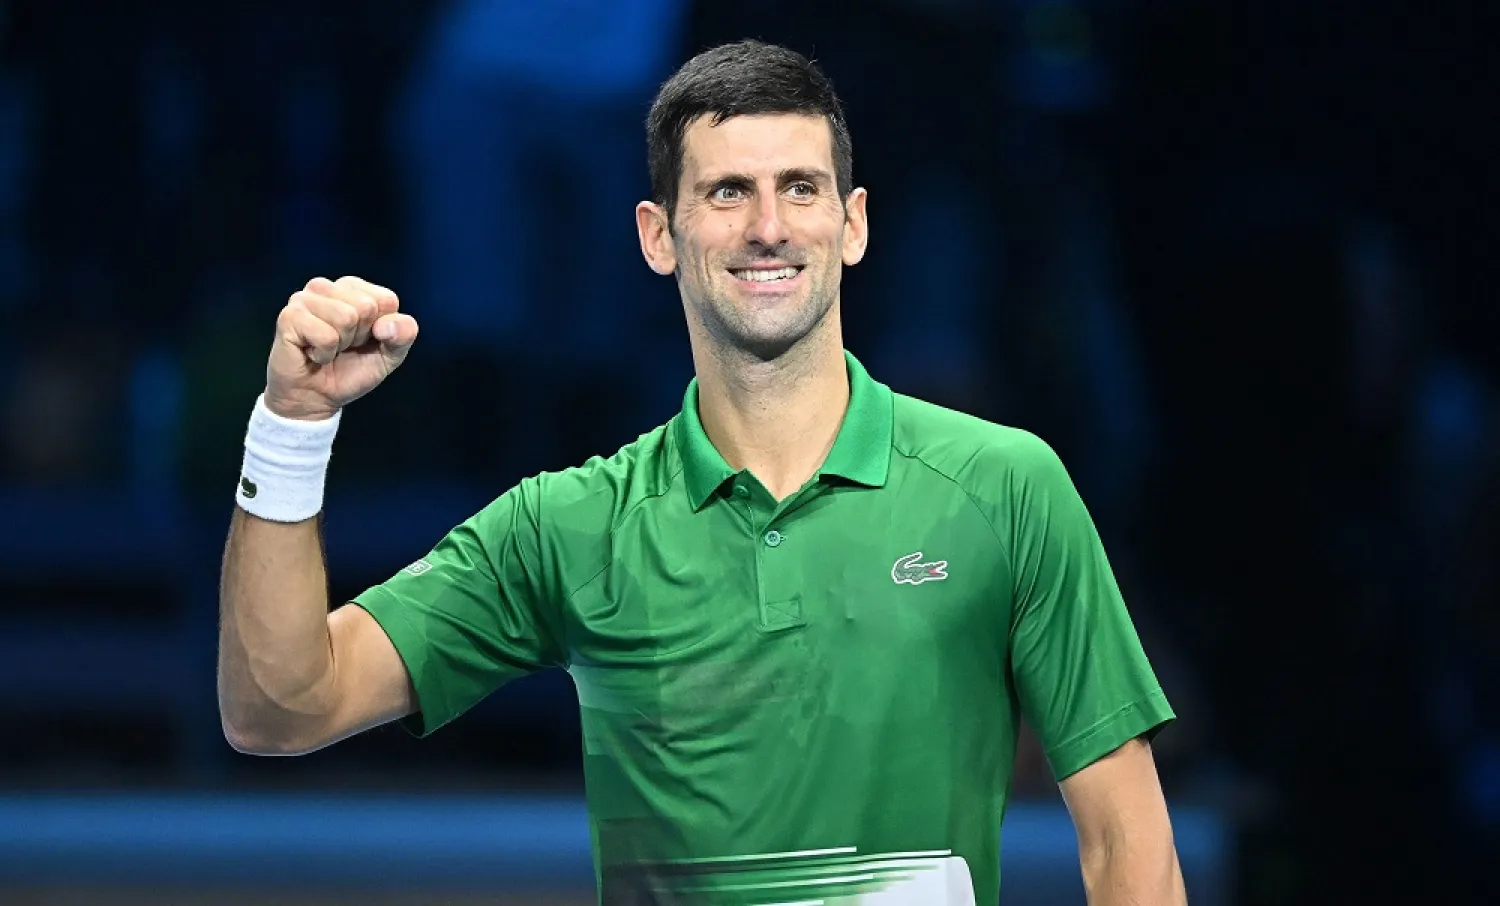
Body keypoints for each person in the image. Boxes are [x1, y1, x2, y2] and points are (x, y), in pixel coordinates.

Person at [218, 40, 1186, 906]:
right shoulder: (573, 525)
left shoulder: (1006, 488)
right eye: (728, 192)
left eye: (800, 188)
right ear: (656, 234)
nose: (769, 226)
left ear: (851, 224)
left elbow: (1126, 846)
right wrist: (292, 428)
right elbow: (280, 705)